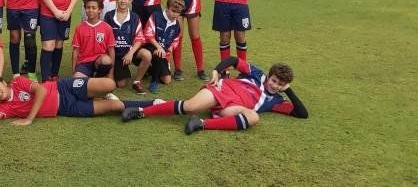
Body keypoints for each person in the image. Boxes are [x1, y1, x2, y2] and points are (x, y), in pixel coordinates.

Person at [121, 56, 309, 135]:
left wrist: (289, 91)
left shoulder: (276, 101)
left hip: (234, 107)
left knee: (254, 117)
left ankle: (201, 124)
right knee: (190, 107)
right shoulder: (258, 74)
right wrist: (217, 72)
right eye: (274, 80)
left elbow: (302, 113)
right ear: (269, 76)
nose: (275, 85)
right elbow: (233, 60)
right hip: (224, 90)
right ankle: (141, 111)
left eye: (280, 84)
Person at [0, 74, 156, 126]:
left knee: (109, 84)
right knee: (116, 106)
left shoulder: (18, 82)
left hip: (64, 86)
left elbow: (41, 92)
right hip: (65, 107)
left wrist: (29, 118)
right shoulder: (6, 108)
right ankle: (156, 104)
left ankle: (101, 92)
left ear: (3, 82)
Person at [104, 0, 151, 94]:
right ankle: (114, 71)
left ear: (131, 0)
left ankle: (137, 82)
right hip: (115, 54)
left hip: (130, 51)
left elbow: (139, 39)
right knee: (121, 84)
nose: (123, 1)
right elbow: (105, 38)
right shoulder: (109, 16)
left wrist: (130, 53)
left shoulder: (135, 17)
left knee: (147, 55)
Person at [136, 0, 184, 93]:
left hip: (162, 53)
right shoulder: (156, 16)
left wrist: (167, 54)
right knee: (157, 53)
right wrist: (159, 47)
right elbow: (148, 35)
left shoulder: (177, 26)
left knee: (167, 80)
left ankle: (150, 69)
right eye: (173, 11)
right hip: (149, 47)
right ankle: (154, 82)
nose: (175, 14)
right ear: (167, 8)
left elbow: (174, 42)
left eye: (178, 12)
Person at [71, 0, 116, 79]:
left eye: (94, 8)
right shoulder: (79, 28)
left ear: (100, 10)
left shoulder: (107, 28)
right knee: (77, 79)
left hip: (99, 61)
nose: (90, 10)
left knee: (106, 60)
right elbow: (76, 50)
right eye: (88, 7)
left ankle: (98, 77)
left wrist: (111, 73)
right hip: (84, 63)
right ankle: (92, 79)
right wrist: (74, 70)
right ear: (85, 9)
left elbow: (111, 50)